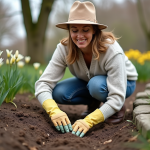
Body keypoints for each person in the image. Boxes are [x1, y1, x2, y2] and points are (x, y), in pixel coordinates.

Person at [35, 1, 138, 138]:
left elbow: (117, 96)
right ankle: (94, 103)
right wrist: (54, 111)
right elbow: (43, 84)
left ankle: (116, 110)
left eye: (85, 29)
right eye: (74, 30)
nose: (80, 35)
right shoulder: (63, 49)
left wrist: (89, 121)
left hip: (124, 83)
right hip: (90, 83)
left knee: (96, 85)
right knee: (59, 92)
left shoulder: (111, 50)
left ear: (94, 30)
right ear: (69, 31)